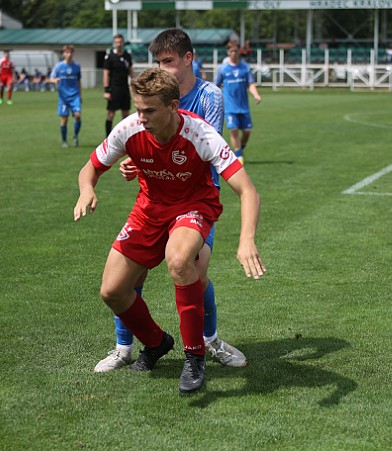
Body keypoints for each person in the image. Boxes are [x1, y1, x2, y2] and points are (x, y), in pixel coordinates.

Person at [74, 66, 266, 393]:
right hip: (149, 209)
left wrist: (246, 239)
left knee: (179, 261)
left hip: (193, 206)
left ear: (174, 107)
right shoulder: (129, 129)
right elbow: (89, 168)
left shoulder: (201, 134)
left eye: (150, 110)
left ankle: (195, 356)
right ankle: (156, 342)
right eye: (138, 109)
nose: (141, 117)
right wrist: (86, 189)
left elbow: (248, 190)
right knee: (112, 291)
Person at [94, 27, 248, 373]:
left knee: (194, 269)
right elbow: (140, 139)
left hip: (195, 197)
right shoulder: (150, 100)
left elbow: (202, 148)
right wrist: (133, 160)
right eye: (157, 61)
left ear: (188, 59)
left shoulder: (209, 96)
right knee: (130, 277)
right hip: (157, 195)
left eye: (168, 61)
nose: (162, 68)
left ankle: (208, 342)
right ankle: (124, 347)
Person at [215, 40, 261, 164]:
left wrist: (256, 95)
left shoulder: (245, 67)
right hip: (229, 106)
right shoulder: (223, 69)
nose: (234, 53)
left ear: (239, 51)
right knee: (234, 130)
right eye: (231, 51)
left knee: (246, 132)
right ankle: (239, 156)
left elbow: (250, 84)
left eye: (236, 51)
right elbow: (216, 85)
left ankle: (239, 148)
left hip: (243, 106)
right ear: (228, 52)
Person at [50, 44, 82, 148]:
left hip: (75, 96)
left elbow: (78, 81)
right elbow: (51, 78)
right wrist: (54, 80)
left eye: (71, 52)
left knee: (77, 116)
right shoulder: (59, 66)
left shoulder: (77, 66)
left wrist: (80, 95)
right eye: (67, 52)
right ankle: (64, 141)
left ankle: (75, 136)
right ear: (64, 54)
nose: (69, 54)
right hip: (63, 97)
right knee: (64, 119)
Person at [103, 34, 134, 138]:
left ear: (123, 42)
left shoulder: (127, 56)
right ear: (114, 43)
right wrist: (107, 90)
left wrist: (135, 84)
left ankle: (126, 136)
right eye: (116, 42)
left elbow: (130, 71)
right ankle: (108, 137)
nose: (118, 44)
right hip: (114, 88)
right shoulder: (110, 57)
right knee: (111, 114)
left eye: (120, 42)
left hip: (124, 88)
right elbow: (106, 74)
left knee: (126, 114)